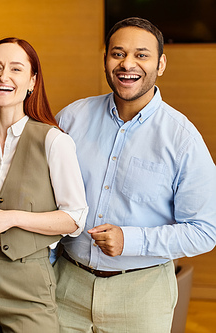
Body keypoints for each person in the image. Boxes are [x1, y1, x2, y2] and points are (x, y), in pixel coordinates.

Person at [55, 17, 216, 332]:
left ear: (161, 63)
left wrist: (130, 240)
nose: (127, 63)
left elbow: (205, 230)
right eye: (117, 53)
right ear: (106, 60)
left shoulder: (182, 138)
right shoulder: (71, 118)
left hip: (141, 293)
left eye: (141, 55)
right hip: (66, 284)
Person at [0, 37, 88, 332]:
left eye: (16, 69)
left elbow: (74, 219)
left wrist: (11, 218)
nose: (3, 77)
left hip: (29, 287)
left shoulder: (54, 141)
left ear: (32, 81)